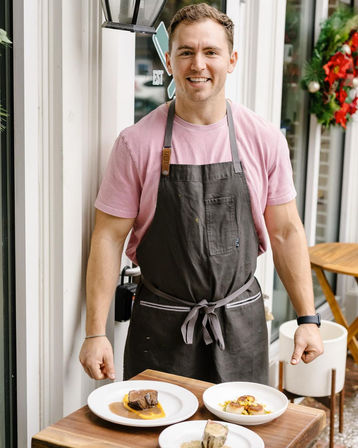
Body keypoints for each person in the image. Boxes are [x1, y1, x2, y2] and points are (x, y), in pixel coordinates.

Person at [79, 3, 323, 384]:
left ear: (232, 60)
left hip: (240, 325)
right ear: (169, 59)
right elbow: (108, 236)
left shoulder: (264, 139)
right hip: (160, 328)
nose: (198, 64)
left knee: (240, 437)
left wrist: (308, 318)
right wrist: (95, 333)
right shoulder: (136, 143)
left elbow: (286, 231)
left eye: (211, 52)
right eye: (186, 52)